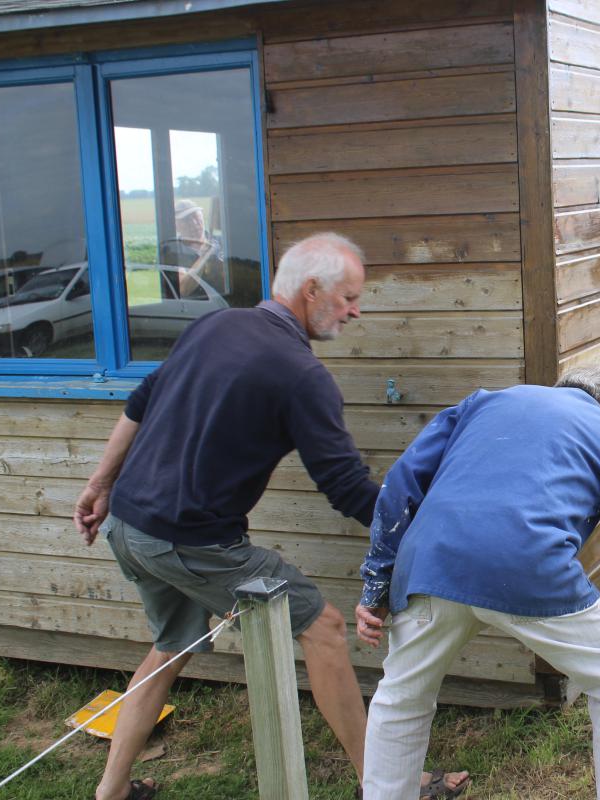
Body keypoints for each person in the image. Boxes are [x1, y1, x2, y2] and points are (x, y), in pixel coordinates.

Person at [74, 233, 466, 800]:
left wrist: (99, 485)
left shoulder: (214, 325)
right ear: (311, 291)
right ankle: (385, 785)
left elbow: (139, 404)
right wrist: (425, 534)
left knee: (168, 648)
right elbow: (346, 488)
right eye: (349, 298)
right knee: (325, 628)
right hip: (193, 542)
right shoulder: (301, 374)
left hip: (129, 527)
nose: (356, 311)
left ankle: (111, 791)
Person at [356, 365, 600, 800]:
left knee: (401, 699)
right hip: (526, 564)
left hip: (430, 565)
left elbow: (400, 484)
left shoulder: (483, 402)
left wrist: (376, 588)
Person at [160, 199, 226, 297]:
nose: (194, 223)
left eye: (196, 217)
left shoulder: (224, 242)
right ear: (176, 225)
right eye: (186, 220)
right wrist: (204, 256)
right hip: (196, 309)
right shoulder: (172, 251)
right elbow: (184, 289)